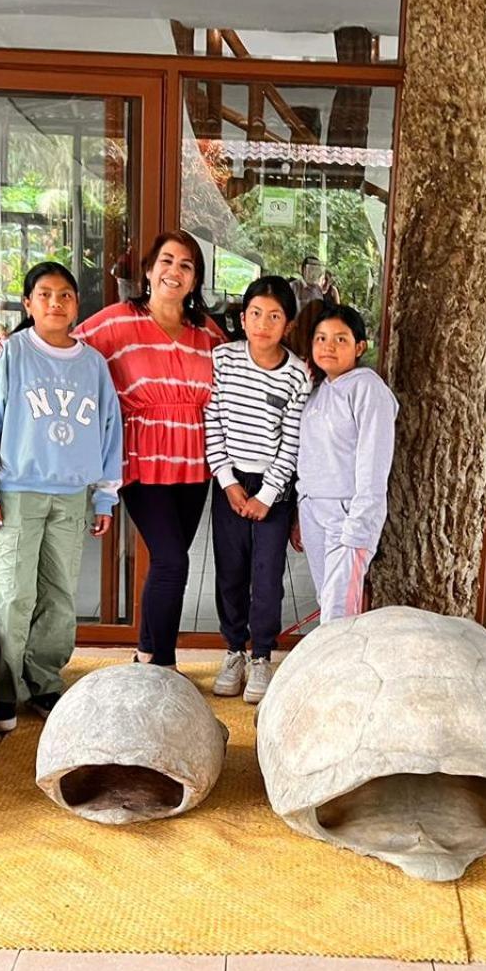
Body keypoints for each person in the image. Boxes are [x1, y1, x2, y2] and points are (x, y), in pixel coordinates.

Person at [0, 231, 225, 669]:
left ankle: (147, 654)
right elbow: (55, 339)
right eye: (166, 261)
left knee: (171, 562)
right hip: (141, 457)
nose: (175, 271)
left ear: (195, 279)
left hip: (194, 460)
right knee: (171, 559)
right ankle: (161, 663)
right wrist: (3, 344)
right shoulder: (117, 322)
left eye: (186, 265)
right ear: (149, 271)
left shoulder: (206, 332)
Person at [0, 261, 122, 730]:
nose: (56, 302)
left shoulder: (93, 364)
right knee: (14, 593)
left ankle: (46, 680)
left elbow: (111, 431)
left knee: (59, 595)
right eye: (45, 294)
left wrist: (105, 496)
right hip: (18, 494)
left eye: (66, 295)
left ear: (77, 306)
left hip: (72, 496)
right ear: (29, 304)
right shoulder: (10, 355)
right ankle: (6, 691)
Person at [204, 276, 309, 703]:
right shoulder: (222, 359)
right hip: (229, 482)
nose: (263, 323)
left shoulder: (298, 374)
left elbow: (294, 439)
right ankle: (233, 651)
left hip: (274, 489)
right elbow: (212, 420)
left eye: (274, 316)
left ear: (287, 323)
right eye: (255, 313)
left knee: (266, 578)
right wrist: (227, 482)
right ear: (242, 317)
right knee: (230, 572)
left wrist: (267, 495)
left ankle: (261, 655)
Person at [292, 305, 397, 624]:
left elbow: (374, 463)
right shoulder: (316, 392)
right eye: (321, 338)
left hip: (348, 515)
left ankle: (340, 675)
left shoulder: (367, 388)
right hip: (313, 511)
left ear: (359, 346)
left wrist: (358, 528)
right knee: (328, 600)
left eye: (340, 339)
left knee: (339, 611)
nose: (328, 346)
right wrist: (301, 511)